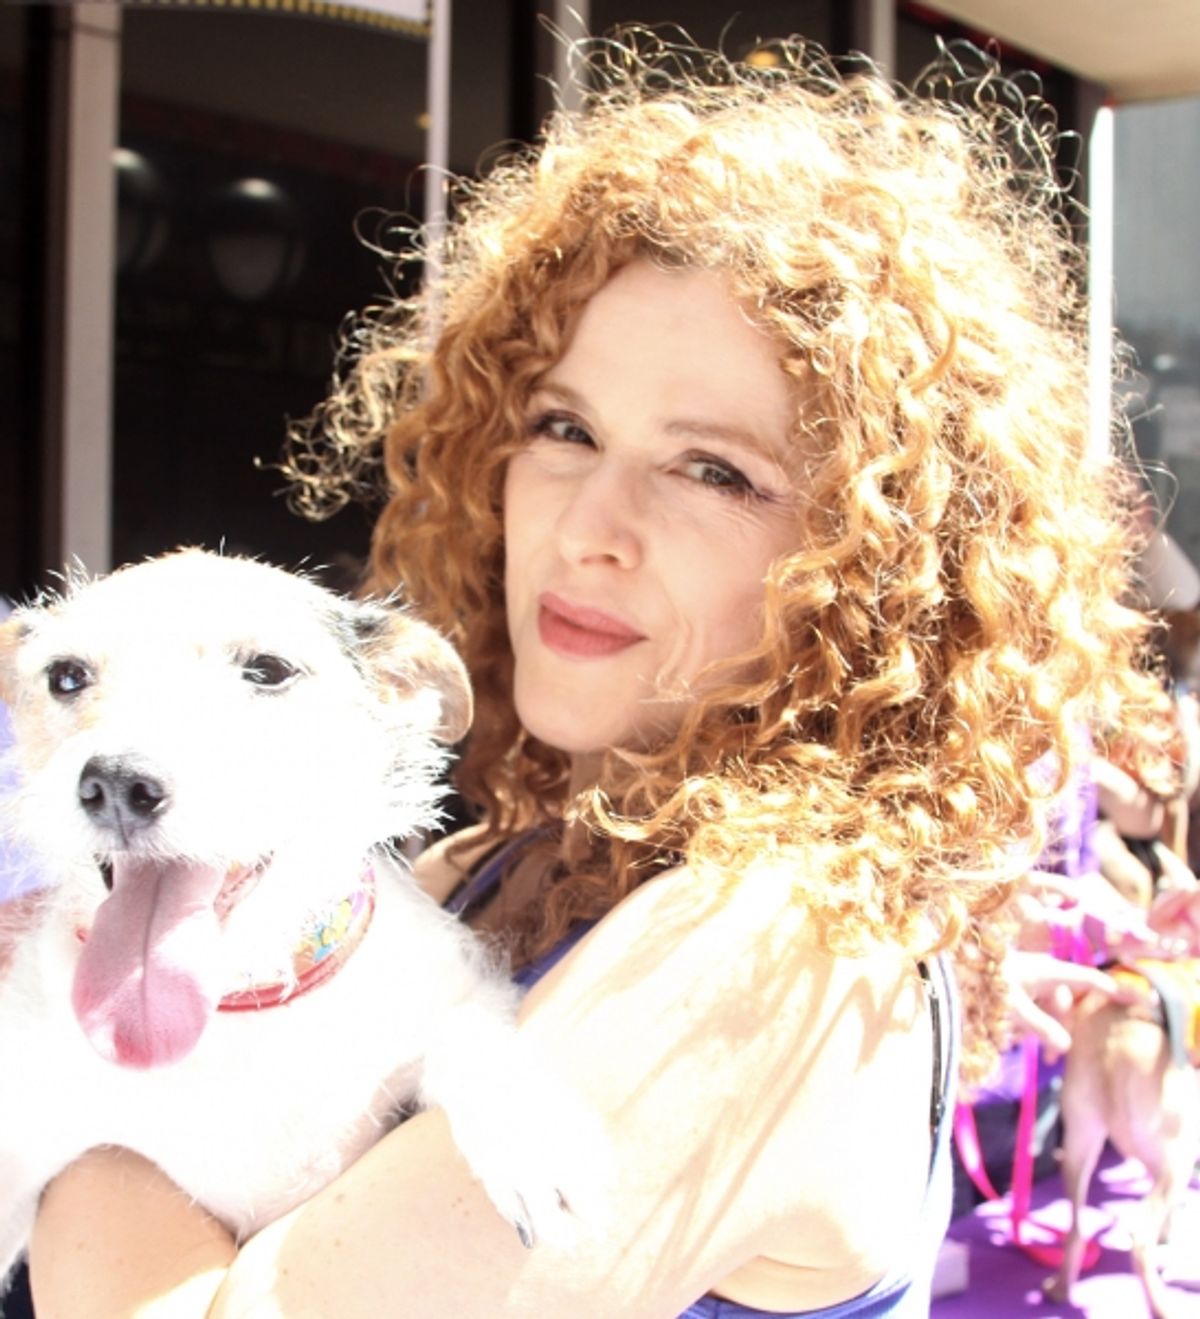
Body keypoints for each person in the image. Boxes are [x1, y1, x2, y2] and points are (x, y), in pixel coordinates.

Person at [29, 31, 1166, 1319]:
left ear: (869, 567)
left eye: (713, 469)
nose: (588, 525)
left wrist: (79, 1146)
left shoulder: (766, 955)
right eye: (564, 429)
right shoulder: (493, 869)